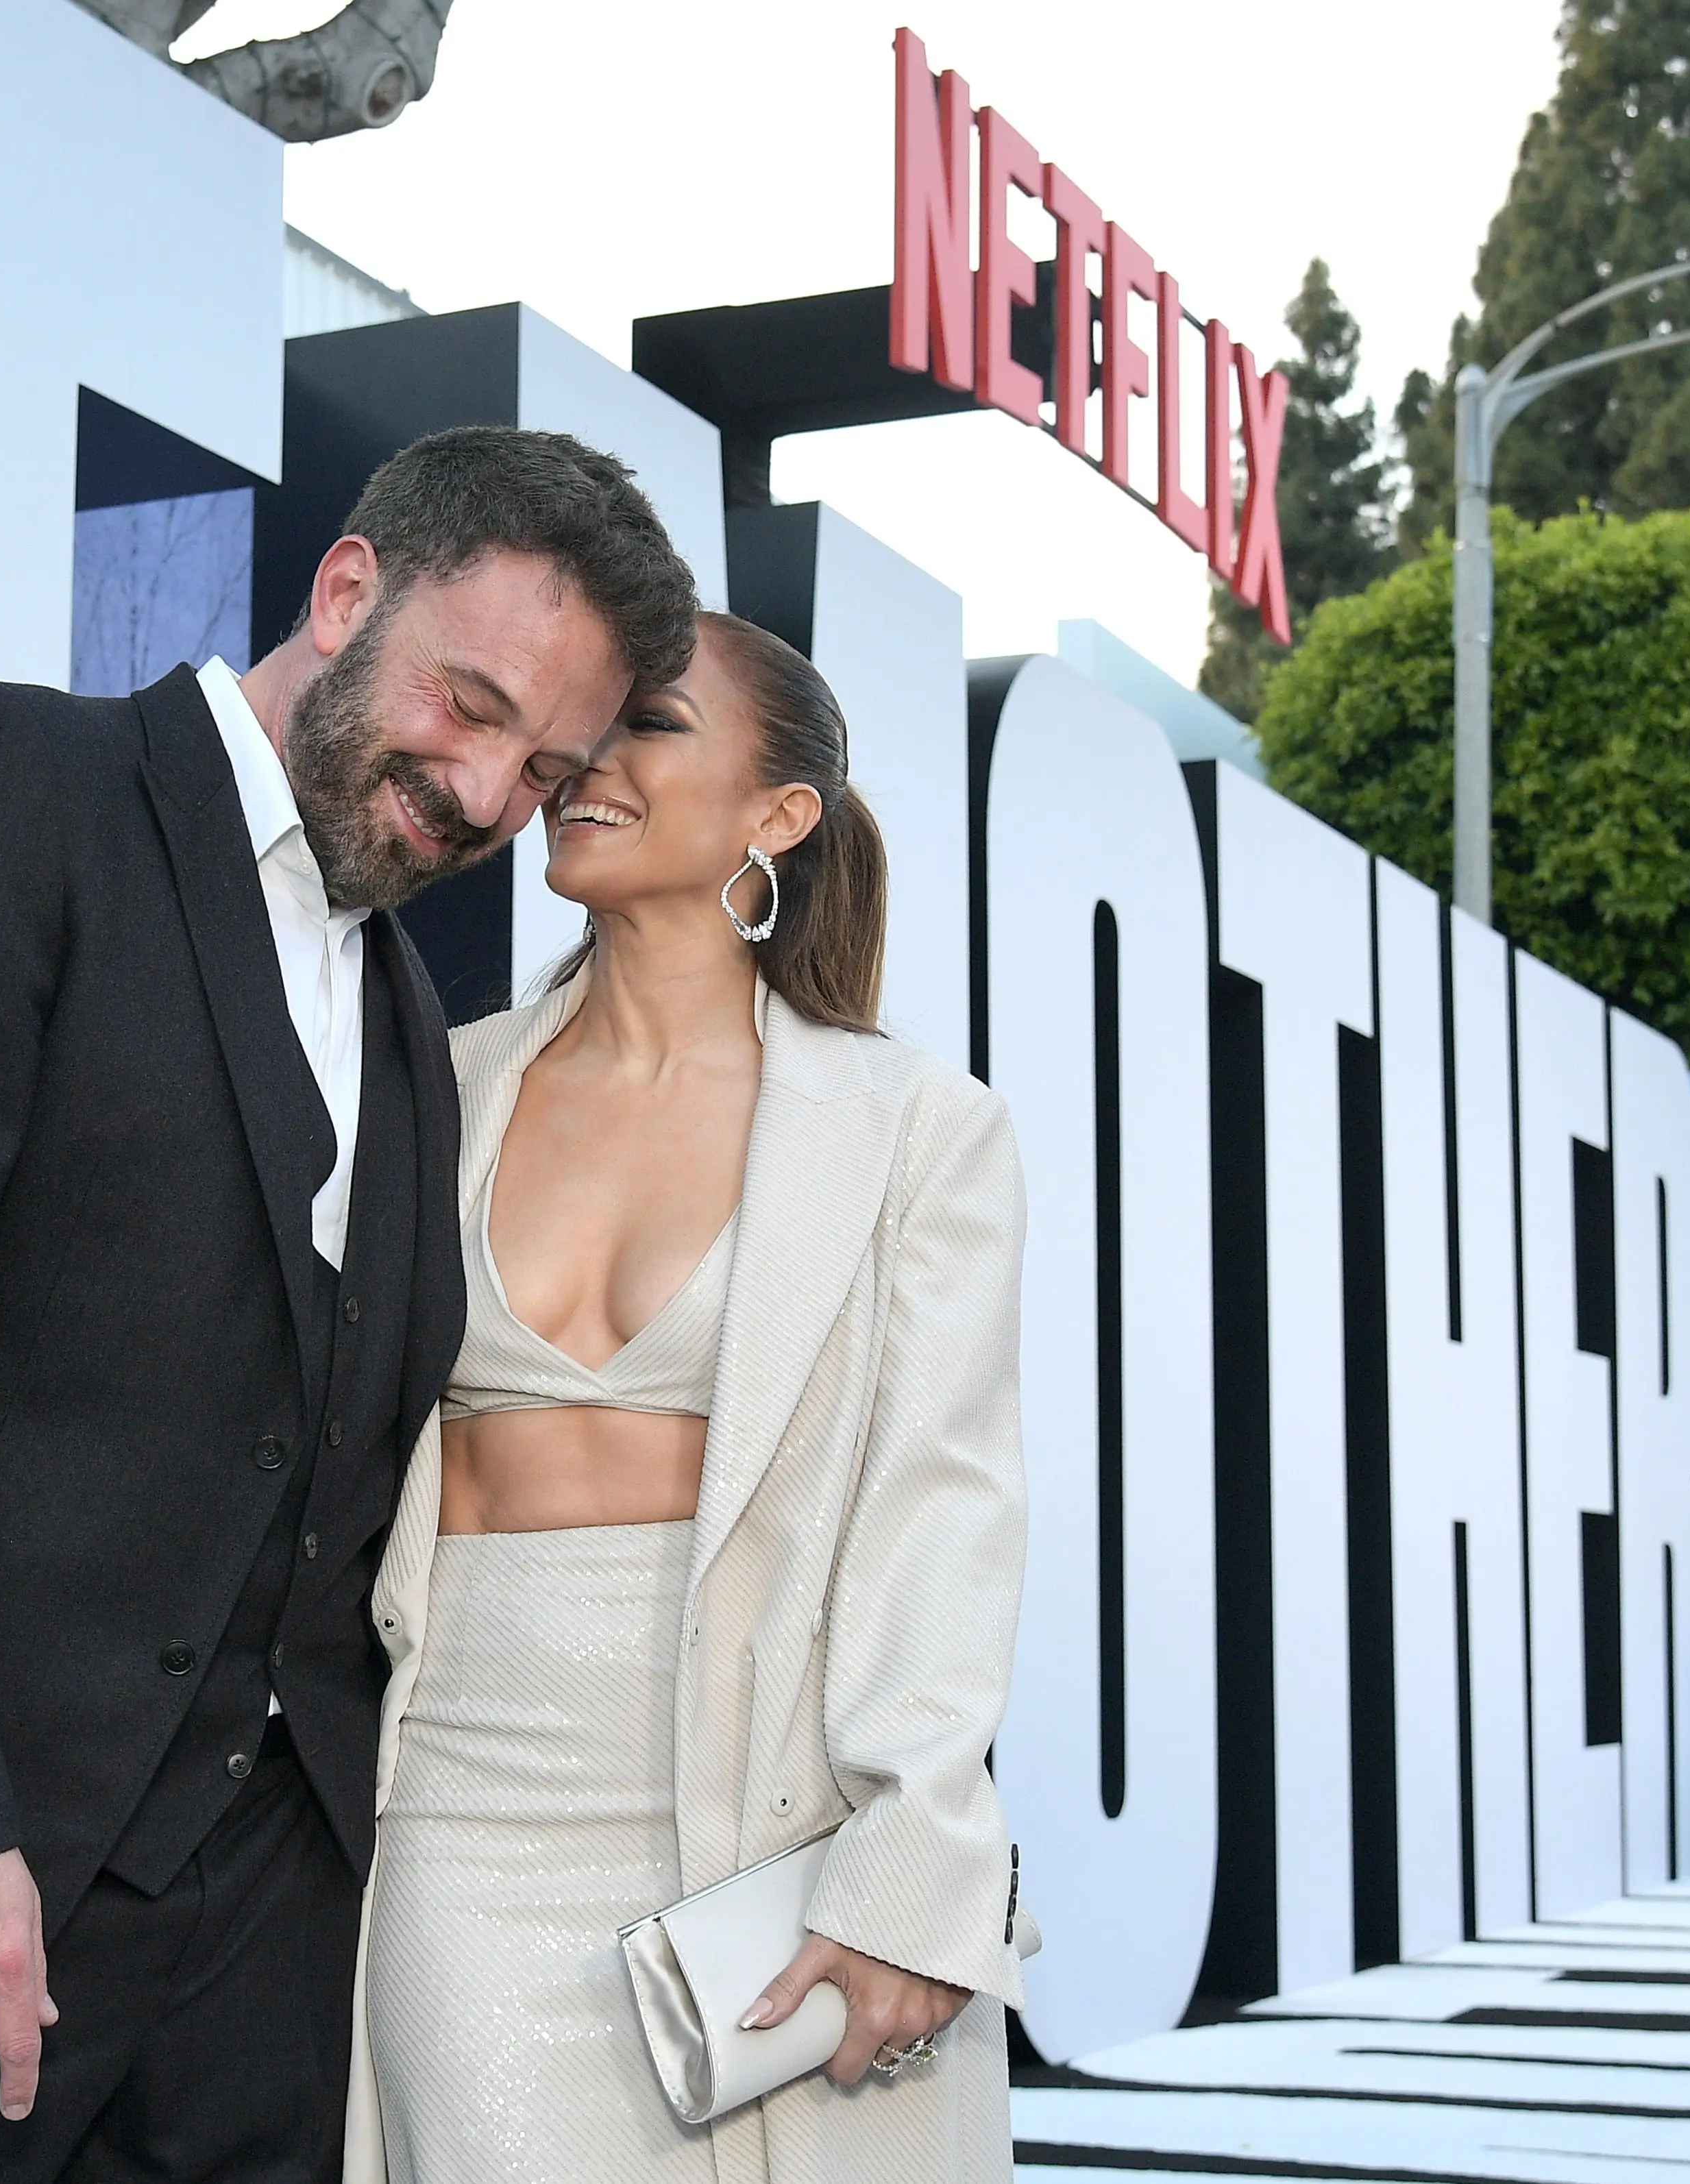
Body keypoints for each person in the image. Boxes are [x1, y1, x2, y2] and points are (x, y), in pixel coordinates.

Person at [0, 427, 698, 2181]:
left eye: (546, 766)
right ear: (346, 591)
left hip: (257, 2015)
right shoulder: (2, 785)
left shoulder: (415, 1026)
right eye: (471, 703)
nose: (492, 797)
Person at [352, 612, 1026, 2183]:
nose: (584, 762)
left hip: (779, 1818)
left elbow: (944, 1506)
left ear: (777, 814)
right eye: (574, 730)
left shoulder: (916, 1127)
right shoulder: (424, 1090)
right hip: (462, 1808)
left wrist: (915, 1858)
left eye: (647, 723)